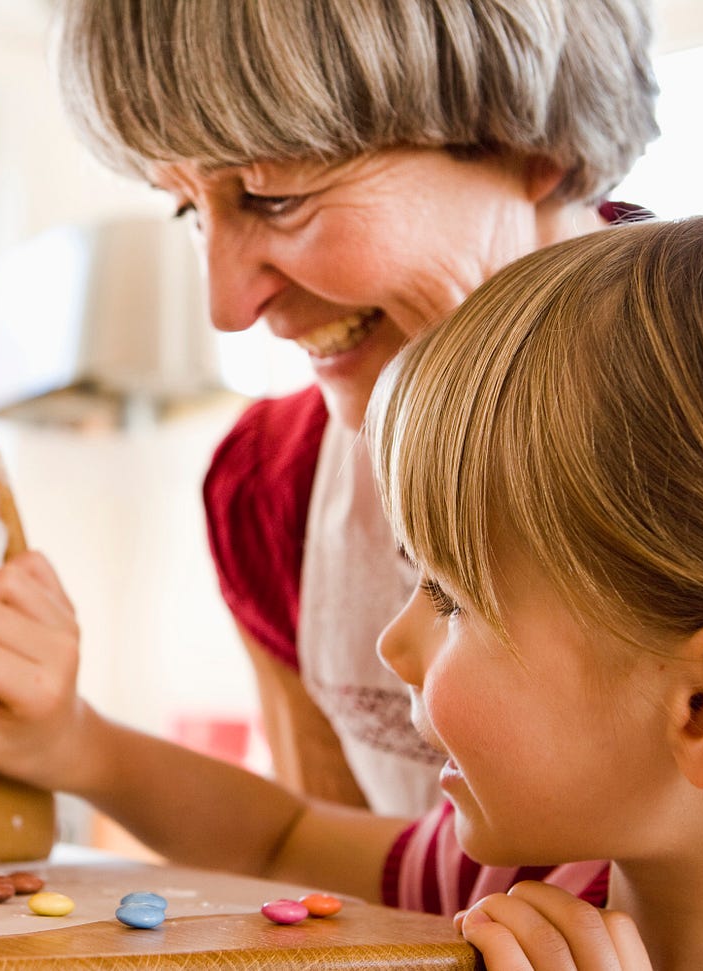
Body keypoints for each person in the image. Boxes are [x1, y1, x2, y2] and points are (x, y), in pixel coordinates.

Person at [0, 205, 703, 969]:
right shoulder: (545, 874)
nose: (395, 643)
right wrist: (75, 741)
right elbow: (281, 839)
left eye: (449, 596)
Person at [56, 0, 659, 817]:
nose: (228, 306)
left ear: (530, 146)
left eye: (275, 195)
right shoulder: (269, 488)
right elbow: (334, 880)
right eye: (191, 211)